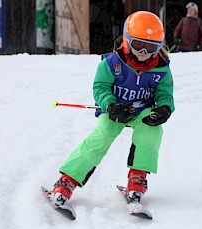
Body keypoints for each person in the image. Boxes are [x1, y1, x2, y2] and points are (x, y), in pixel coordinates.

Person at [48, 11, 175, 214]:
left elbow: (165, 94)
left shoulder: (161, 69)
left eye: (150, 47)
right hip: (116, 110)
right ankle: (67, 180)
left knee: (152, 131)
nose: (143, 51)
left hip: (141, 110)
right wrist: (110, 105)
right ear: (126, 40)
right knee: (102, 136)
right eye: (137, 45)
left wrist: (165, 108)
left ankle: (137, 178)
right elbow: (100, 87)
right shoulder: (112, 63)